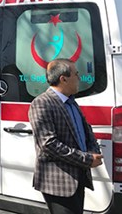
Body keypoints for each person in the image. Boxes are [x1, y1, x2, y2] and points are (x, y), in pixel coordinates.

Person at [28, 59, 103, 214]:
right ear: (63, 78)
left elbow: (86, 131)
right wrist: (87, 159)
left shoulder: (71, 102)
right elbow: (49, 144)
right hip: (59, 184)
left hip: (77, 177)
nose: (80, 78)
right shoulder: (42, 103)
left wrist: (93, 151)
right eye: (76, 74)